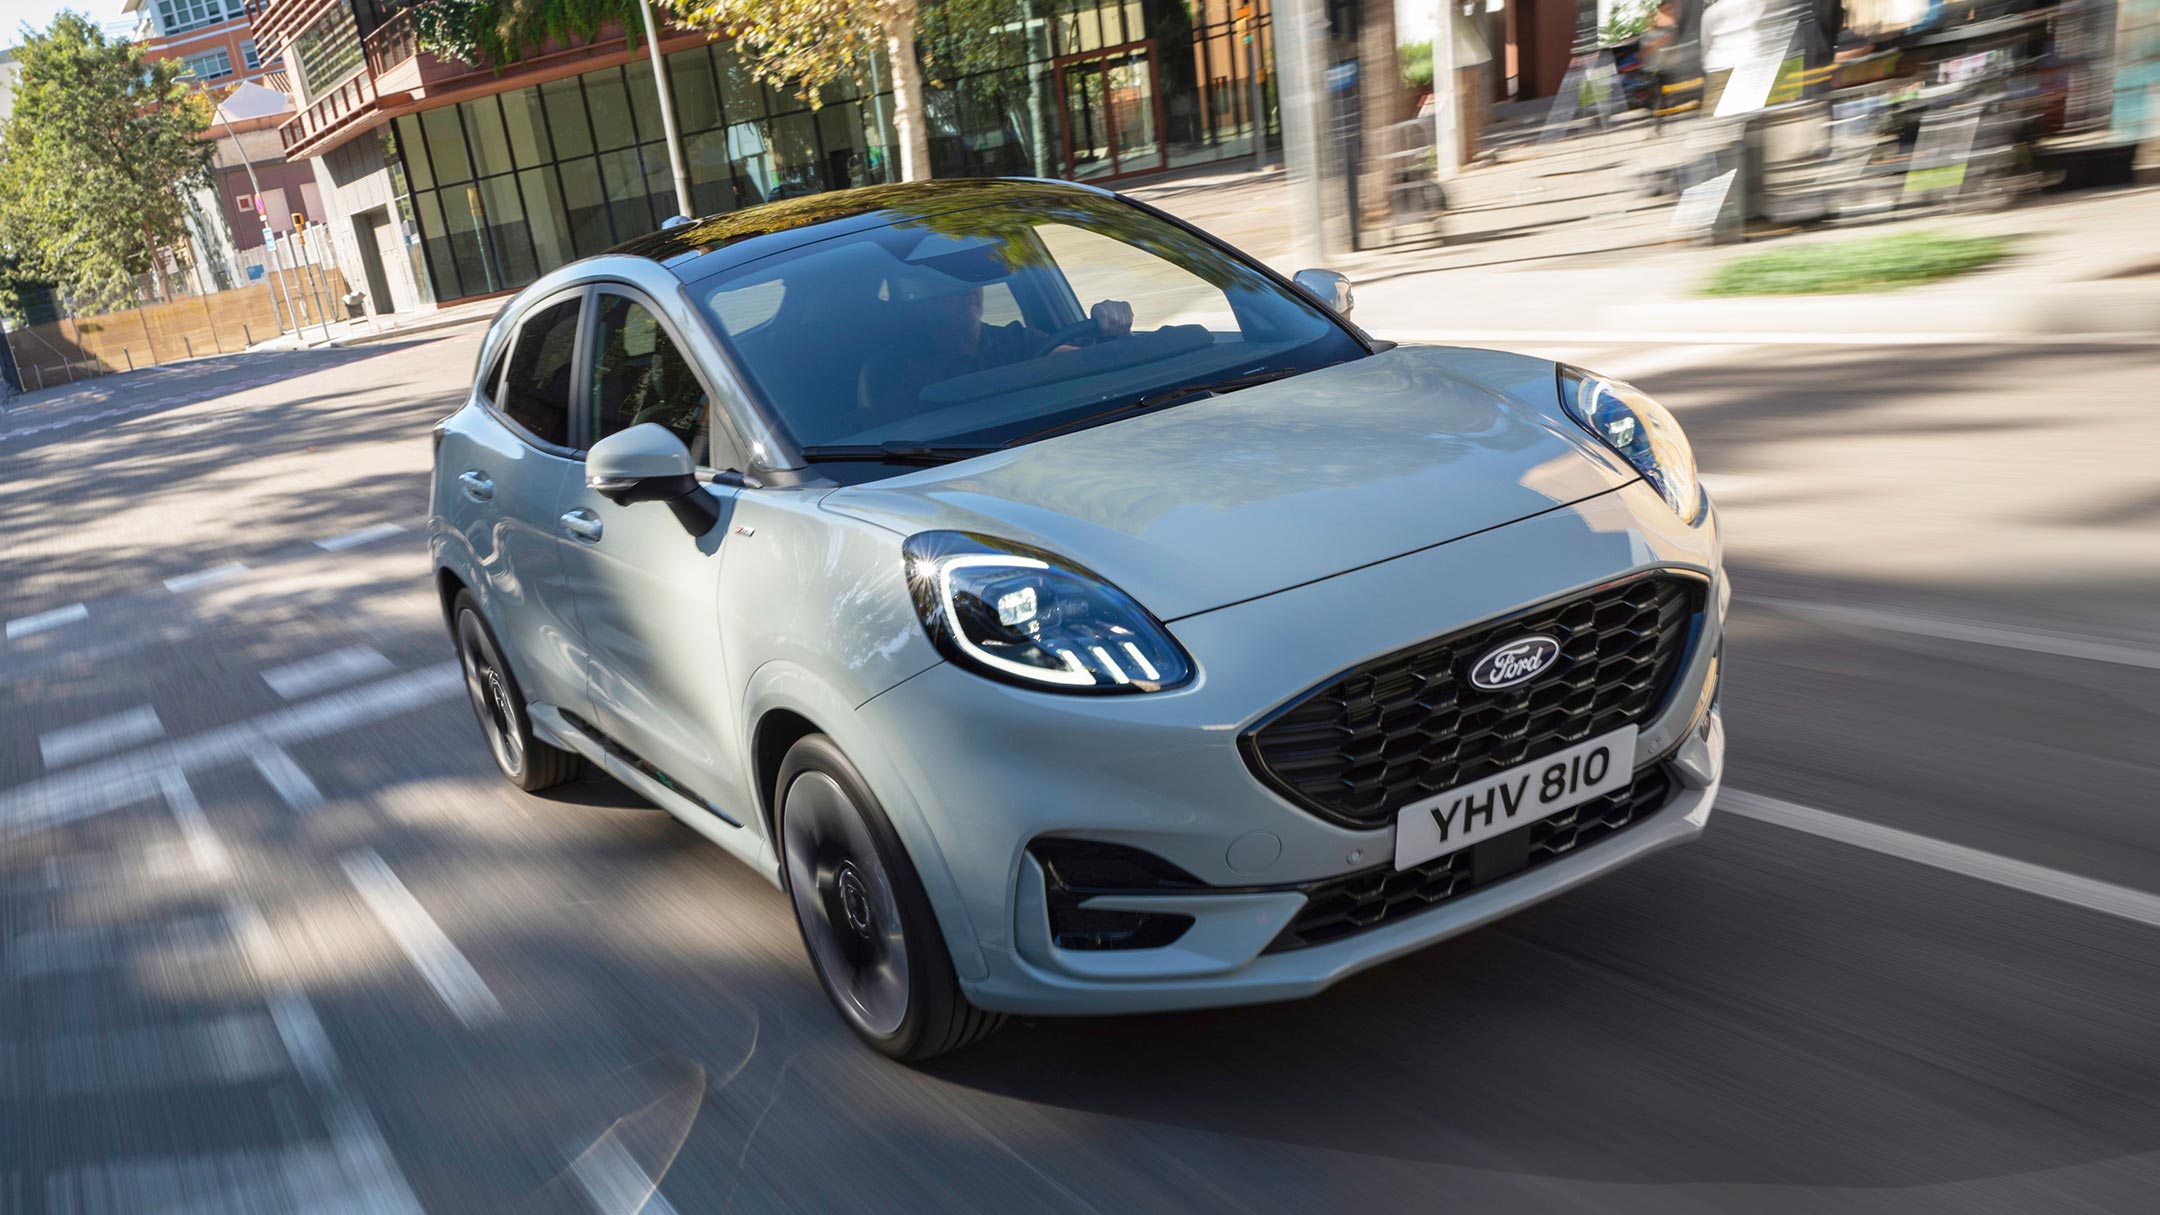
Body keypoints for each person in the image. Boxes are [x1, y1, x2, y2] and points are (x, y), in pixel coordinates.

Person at [856, 271, 1133, 424]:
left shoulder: (1019, 341)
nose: (968, 291)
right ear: (920, 302)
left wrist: (1113, 331)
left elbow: (1089, 367)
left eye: (973, 282)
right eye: (947, 286)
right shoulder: (896, 369)